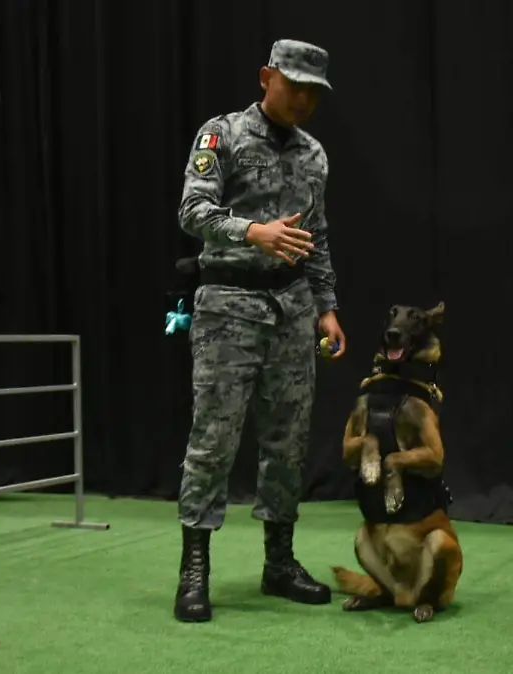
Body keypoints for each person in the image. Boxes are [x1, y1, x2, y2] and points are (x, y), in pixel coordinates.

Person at [172, 38, 347, 623]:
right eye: (293, 86)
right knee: (214, 442)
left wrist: (326, 306)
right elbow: (192, 211)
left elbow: (316, 238)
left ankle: (279, 562)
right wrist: (254, 232)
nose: (303, 99)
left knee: (288, 444)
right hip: (228, 304)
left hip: (293, 311)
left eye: (313, 92)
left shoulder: (315, 156)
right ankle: (195, 568)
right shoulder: (221, 135)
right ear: (266, 77)